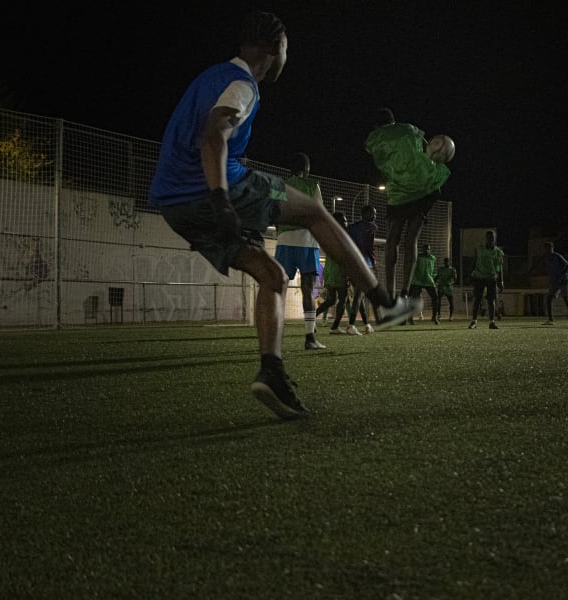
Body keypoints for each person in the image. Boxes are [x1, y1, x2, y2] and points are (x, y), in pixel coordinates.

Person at [148, 11, 419, 421]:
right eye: (288, 49)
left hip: (174, 204)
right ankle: (383, 302)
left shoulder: (210, 76)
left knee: (272, 276)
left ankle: (271, 372)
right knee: (314, 211)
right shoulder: (243, 85)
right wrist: (222, 197)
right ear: (276, 49)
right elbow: (215, 132)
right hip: (211, 187)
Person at [365, 107, 451, 298]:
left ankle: (389, 290)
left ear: (376, 125)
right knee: (411, 239)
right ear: (393, 120)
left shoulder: (373, 138)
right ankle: (405, 289)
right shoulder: (408, 128)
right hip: (424, 186)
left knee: (392, 240)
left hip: (399, 192)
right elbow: (428, 146)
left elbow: (376, 164)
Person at [274, 152, 325, 350]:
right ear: (307, 168)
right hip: (306, 241)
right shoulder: (313, 185)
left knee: (278, 290)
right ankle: (309, 338)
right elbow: (318, 213)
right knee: (307, 291)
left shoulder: (279, 185)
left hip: (284, 241)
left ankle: (274, 338)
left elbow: (274, 211)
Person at [314, 211, 351, 334]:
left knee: (330, 300)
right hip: (338, 272)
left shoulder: (329, 234)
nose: (346, 223)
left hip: (329, 271)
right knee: (342, 299)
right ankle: (335, 327)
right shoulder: (341, 235)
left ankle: (311, 319)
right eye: (344, 221)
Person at [345, 204, 379, 335]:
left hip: (352, 262)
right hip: (364, 262)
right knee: (359, 295)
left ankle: (366, 325)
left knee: (359, 295)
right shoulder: (370, 227)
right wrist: (373, 262)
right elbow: (368, 247)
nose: (375, 216)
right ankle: (351, 325)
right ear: (367, 214)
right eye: (373, 213)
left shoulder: (352, 227)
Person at [468, 230, 504, 329]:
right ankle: (474, 321)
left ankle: (491, 322)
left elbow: (499, 268)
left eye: (492, 237)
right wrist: (470, 273)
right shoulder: (479, 248)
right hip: (479, 277)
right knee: (477, 299)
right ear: (485, 238)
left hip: (491, 278)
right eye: (488, 237)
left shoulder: (498, 252)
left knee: (491, 300)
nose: (490, 239)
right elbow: (474, 260)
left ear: (494, 238)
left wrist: (501, 281)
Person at [542, 241, 568, 326]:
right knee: (549, 298)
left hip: (564, 280)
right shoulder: (546, 258)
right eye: (546, 248)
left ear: (552, 248)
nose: (548, 250)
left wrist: (561, 276)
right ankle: (550, 320)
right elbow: (550, 270)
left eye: (549, 248)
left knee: (566, 299)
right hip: (555, 281)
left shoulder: (557, 256)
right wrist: (551, 279)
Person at [409, 243, 440, 325]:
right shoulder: (418, 257)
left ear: (430, 250)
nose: (427, 250)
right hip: (418, 281)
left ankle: (434, 317)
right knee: (414, 299)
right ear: (422, 250)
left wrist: (434, 277)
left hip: (428, 280)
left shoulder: (433, 258)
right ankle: (410, 318)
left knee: (435, 297)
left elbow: (431, 270)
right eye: (425, 249)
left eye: (428, 249)